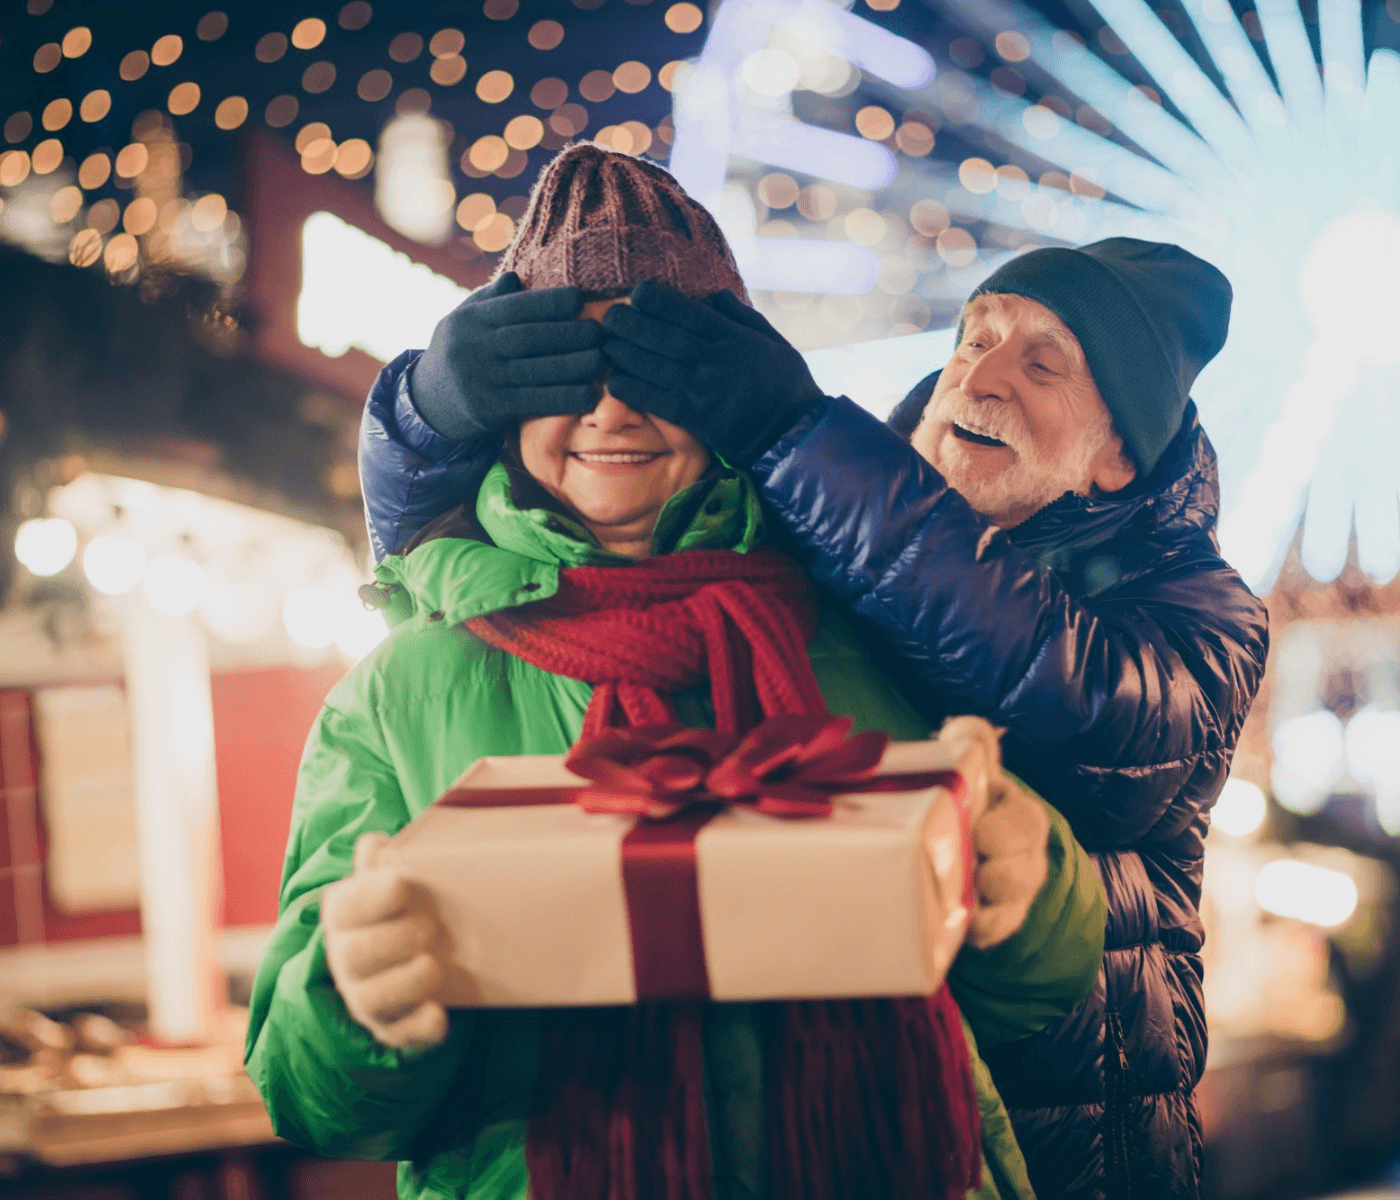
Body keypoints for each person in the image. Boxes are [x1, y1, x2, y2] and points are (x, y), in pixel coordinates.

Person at [357, 178, 1269, 1196]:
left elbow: (1073, 703)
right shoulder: (828, 536)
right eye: (973, 337)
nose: (980, 376)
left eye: (1044, 362)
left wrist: (796, 435)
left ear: (1115, 459)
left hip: (1077, 1153)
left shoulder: (1200, 612)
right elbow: (516, 566)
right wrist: (425, 416)